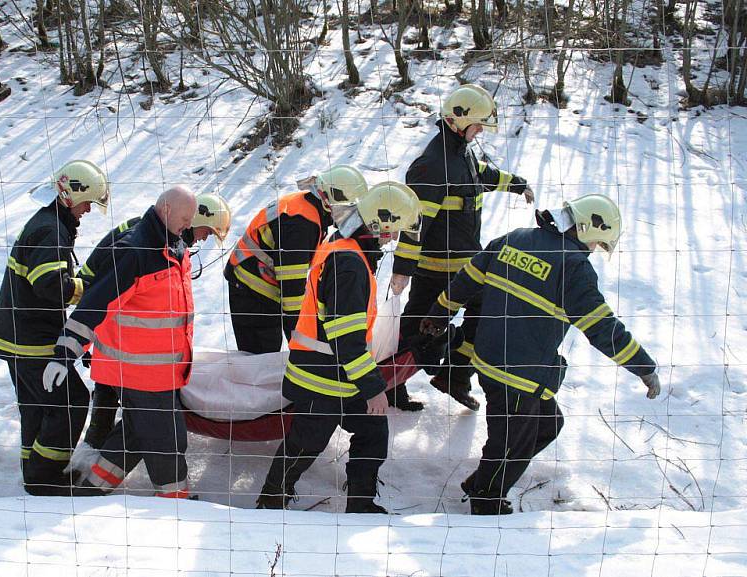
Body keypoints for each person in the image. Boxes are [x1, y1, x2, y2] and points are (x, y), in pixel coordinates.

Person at [420, 194, 662, 515]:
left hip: (492, 360)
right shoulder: (574, 269)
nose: (594, 251)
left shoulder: (513, 240)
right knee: (511, 444)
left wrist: (439, 313)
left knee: (548, 424)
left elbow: (467, 279)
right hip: (518, 374)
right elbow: (602, 328)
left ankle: (482, 481)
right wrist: (643, 366)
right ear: (588, 228)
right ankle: (486, 501)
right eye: (598, 243)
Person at [257, 182, 422, 514]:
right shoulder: (348, 263)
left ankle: (360, 504)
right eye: (393, 232)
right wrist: (374, 388)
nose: (393, 240)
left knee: (372, 432)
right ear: (380, 223)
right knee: (307, 443)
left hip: (336, 373)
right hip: (322, 377)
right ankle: (271, 500)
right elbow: (345, 338)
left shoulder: (348, 247)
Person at [43, 185, 198, 498]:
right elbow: (96, 303)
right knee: (168, 441)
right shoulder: (136, 251)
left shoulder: (172, 244)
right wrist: (65, 352)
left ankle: (89, 490)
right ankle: (177, 504)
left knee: (136, 433)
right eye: (184, 218)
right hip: (139, 372)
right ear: (166, 210)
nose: (188, 225)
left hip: (159, 370)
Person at [388, 84, 534, 412]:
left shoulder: (460, 153)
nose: (481, 130)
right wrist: (401, 271)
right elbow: (414, 224)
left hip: (467, 268)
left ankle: (454, 376)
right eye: (478, 124)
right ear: (457, 121)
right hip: (436, 273)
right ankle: (388, 386)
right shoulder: (432, 164)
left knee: (485, 314)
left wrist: (515, 184)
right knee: (415, 333)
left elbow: (479, 175)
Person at [0, 160, 109, 495]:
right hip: (31, 340)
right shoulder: (49, 230)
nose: (88, 210)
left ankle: (34, 469)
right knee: (70, 402)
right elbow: (49, 285)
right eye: (87, 203)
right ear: (71, 196)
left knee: (35, 407)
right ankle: (45, 478)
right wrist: (89, 291)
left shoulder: (50, 223)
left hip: (18, 336)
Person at [78, 193, 231, 450]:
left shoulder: (168, 239)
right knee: (111, 391)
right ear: (193, 219)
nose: (204, 238)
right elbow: (104, 292)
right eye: (206, 231)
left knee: (124, 399)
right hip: (111, 326)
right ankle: (95, 448)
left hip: (117, 328)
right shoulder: (145, 241)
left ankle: (99, 451)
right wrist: (89, 336)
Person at [224, 165, 368, 353]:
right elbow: (292, 295)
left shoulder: (307, 209)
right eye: (348, 208)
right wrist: (300, 345)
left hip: (255, 281)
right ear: (331, 201)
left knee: (264, 358)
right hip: (251, 289)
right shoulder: (301, 225)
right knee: (260, 359)